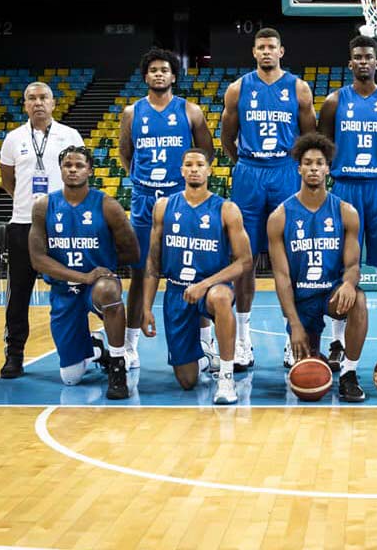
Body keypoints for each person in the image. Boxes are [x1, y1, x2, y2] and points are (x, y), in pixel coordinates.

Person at [220, 28, 317, 372]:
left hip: (285, 172)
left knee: (292, 259)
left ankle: (296, 337)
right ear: (254, 51)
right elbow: (227, 137)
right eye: (261, 47)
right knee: (243, 257)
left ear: (281, 51)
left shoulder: (298, 88)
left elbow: (310, 137)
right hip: (249, 173)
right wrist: (246, 163)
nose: (266, 52)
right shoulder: (238, 89)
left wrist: (290, 166)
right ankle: (243, 340)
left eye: (271, 47)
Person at [318, 35, 377, 368]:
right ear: (350, 63)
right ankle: (336, 340)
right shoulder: (334, 101)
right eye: (357, 56)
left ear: (376, 63)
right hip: (345, 186)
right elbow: (323, 146)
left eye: (368, 57)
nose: (362, 61)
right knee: (341, 266)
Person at [119, 47, 215, 372]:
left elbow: (207, 152)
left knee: (194, 271)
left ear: (174, 76)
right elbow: (125, 155)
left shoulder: (191, 111)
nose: (159, 74)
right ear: (145, 76)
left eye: (165, 70)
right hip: (145, 200)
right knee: (138, 272)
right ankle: (129, 346)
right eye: (153, 70)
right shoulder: (132, 113)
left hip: (180, 200)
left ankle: (205, 342)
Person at [140, 148, 251, 403]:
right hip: (177, 291)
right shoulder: (163, 207)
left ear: (209, 170)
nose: (194, 169)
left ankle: (226, 377)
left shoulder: (227, 209)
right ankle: (203, 355)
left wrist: (205, 284)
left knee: (222, 297)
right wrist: (146, 307)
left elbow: (244, 261)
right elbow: (153, 261)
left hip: (210, 287)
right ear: (181, 171)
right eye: (188, 164)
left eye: (200, 164)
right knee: (187, 381)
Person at [28, 146, 140, 399]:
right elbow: (37, 259)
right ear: (61, 170)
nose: (73, 170)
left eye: (79, 165)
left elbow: (132, 252)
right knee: (71, 377)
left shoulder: (108, 206)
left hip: (95, 288)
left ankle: (117, 365)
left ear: (90, 170)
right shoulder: (43, 206)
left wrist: (101, 266)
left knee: (108, 288)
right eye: (68, 165)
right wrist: (83, 276)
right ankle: (98, 348)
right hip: (64, 291)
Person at [267, 133, 368, 401]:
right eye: (308, 163)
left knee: (359, 299)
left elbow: (353, 265)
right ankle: (312, 349)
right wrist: (294, 324)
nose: (313, 168)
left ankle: (349, 373)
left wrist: (348, 283)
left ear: (328, 168)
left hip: (332, 295)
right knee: (310, 375)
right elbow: (282, 277)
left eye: (319, 163)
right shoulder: (280, 216)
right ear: (298, 168)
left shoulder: (346, 211)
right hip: (302, 300)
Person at [0, 81, 86, 379]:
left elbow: (80, 176)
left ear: (53, 103)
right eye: (32, 98)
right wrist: (30, 206)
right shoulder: (13, 138)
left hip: (61, 226)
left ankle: (77, 350)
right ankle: (14, 354)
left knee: (71, 289)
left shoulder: (70, 135)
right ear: (24, 105)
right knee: (18, 293)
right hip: (23, 224)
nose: (38, 103)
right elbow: (8, 180)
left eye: (43, 97)